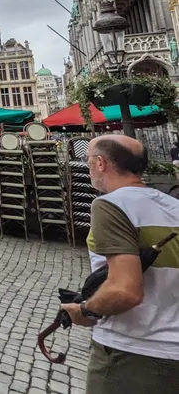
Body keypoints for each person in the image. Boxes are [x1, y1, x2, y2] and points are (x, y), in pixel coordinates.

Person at [60, 135, 179, 391]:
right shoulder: (173, 205)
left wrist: (85, 311)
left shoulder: (110, 205)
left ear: (101, 163)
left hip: (133, 350)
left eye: (88, 160)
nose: (88, 166)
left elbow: (125, 291)